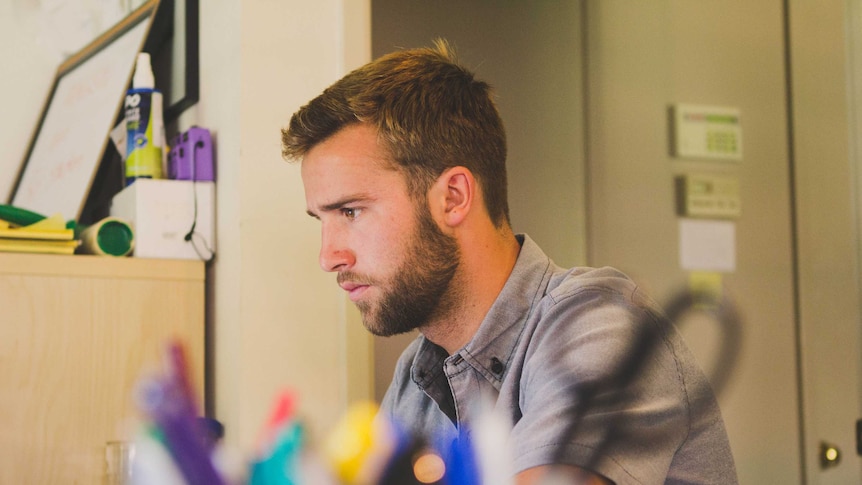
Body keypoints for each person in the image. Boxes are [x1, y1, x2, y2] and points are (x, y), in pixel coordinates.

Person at [282, 40, 737, 485]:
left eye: (350, 212)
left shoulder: (603, 326)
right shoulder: (415, 378)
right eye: (321, 219)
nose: (329, 256)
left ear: (453, 197)